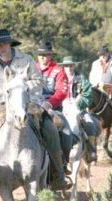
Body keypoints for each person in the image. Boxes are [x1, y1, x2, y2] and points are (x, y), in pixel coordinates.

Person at [0, 29, 72, 194]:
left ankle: (58, 173)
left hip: (28, 104)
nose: (2, 47)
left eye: (4, 43)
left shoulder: (26, 60)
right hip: (0, 107)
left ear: (10, 43)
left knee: (50, 129)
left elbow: (38, 80)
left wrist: (24, 88)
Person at [35, 41, 73, 176]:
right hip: (32, 106)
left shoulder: (58, 70)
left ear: (51, 55)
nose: (42, 57)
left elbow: (62, 91)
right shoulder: (31, 68)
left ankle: (62, 165)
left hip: (52, 108)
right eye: (40, 54)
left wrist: (49, 104)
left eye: (45, 54)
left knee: (67, 133)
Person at [59, 56, 97, 162]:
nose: (69, 68)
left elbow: (88, 95)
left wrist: (77, 104)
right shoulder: (59, 78)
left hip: (78, 108)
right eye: (66, 66)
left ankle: (91, 150)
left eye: (71, 65)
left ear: (74, 65)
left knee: (90, 124)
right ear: (63, 67)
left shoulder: (81, 78)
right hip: (61, 108)